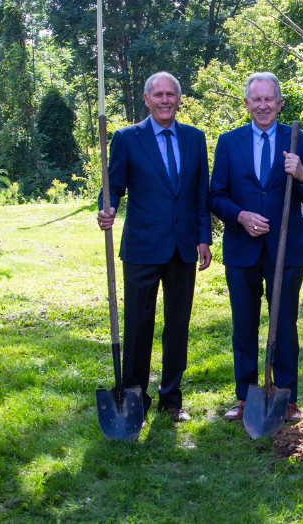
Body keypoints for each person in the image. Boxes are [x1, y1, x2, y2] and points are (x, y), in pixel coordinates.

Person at [209, 72, 303, 422]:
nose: (262, 105)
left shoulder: (298, 140)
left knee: (285, 324)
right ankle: (245, 396)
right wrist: (241, 216)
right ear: (246, 104)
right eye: (255, 99)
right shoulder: (229, 142)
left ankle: (286, 398)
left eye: (269, 99)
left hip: (286, 249)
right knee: (243, 324)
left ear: (279, 103)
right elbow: (215, 196)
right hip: (242, 247)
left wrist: (302, 174)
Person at [97, 71, 212, 422]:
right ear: (146, 99)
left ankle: (171, 399)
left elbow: (199, 194)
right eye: (158, 95)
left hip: (182, 247)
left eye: (170, 94)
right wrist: (107, 206)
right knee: (137, 326)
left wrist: (204, 237)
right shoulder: (127, 138)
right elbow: (112, 185)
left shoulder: (194, 138)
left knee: (177, 325)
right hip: (142, 247)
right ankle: (134, 398)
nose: (165, 100)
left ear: (179, 99)